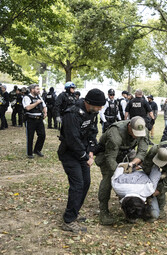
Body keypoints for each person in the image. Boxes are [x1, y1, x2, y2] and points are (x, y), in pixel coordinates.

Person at [58, 88, 106, 233]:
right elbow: (72, 139)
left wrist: (91, 150)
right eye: (98, 106)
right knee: (77, 184)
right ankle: (68, 220)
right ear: (88, 102)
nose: (100, 109)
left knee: (86, 182)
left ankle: (74, 212)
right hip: (69, 153)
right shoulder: (72, 113)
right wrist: (85, 157)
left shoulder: (92, 112)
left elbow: (92, 132)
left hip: (83, 152)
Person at [94, 116, 150, 225]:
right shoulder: (115, 133)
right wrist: (122, 172)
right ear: (129, 126)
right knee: (109, 179)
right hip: (108, 154)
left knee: (133, 178)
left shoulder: (143, 130)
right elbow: (110, 159)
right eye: (134, 133)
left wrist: (132, 165)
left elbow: (142, 151)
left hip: (127, 153)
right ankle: (103, 211)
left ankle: (129, 208)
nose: (136, 136)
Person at [22, 84, 47, 159]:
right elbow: (27, 108)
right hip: (30, 119)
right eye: (37, 89)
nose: (39, 90)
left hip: (39, 119)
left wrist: (45, 112)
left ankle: (37, 150)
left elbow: (44, 106)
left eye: (39, 89)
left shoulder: (39, 97)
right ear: (32, 90)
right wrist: (37, 103)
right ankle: (29, 153)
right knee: (30, 136)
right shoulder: (27, 97)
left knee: (42, 135)